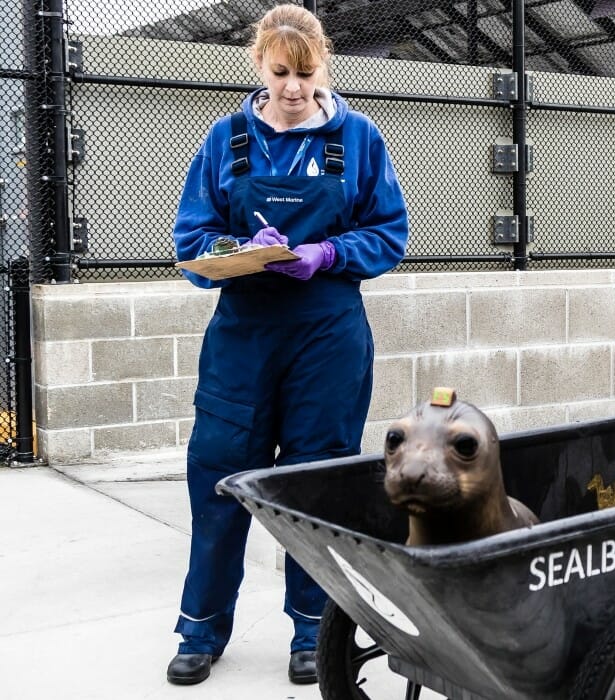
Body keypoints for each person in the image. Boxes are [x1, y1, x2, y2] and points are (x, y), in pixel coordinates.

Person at [168, 4, 408, 686]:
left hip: (327, 332)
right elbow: (192, 240)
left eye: (305, 73)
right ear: (260, 67)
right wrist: (239, 249)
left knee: (316, 479)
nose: (294, 88)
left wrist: (328, 251)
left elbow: (389, 232)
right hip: (243, 333)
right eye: (280, 73)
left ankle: (313, 630)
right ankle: (200, 627)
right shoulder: (226, 139)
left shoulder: (357, 139)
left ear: (322, 64)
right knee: (219, 474)